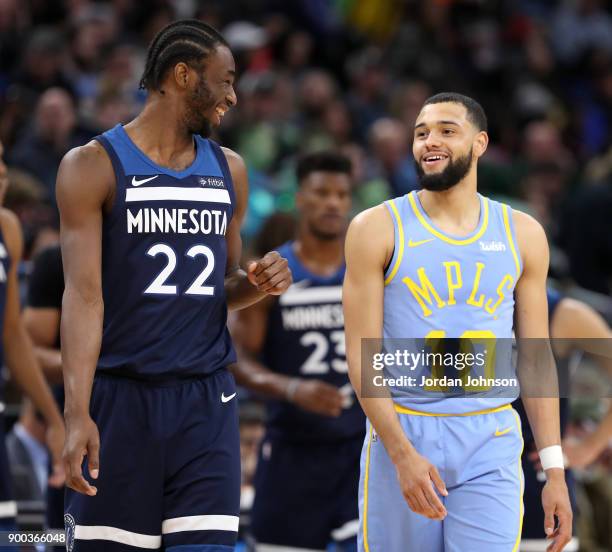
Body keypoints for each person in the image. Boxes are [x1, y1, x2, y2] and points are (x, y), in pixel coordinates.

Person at [57, 20, 291, 552]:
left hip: (206, 400)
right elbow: (84, 296)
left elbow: (225, 285)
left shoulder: (229, 169)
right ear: (182, 76)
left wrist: (257, 284)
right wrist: (76, 414)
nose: (233, 96)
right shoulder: (92, 165)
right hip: (121, 398)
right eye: (225, 80)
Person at [342, 93, 573, 552]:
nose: (431, 140)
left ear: (480, 143)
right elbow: (361, 358)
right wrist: (402, 454)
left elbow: (535, 358)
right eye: (422, 132)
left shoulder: (522, 232)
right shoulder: (376, 228)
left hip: (490, 436)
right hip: (405, 431)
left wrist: (554, 471)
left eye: (447, 130)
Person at [231, 151, 364, 551]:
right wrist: (291, 388)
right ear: (299, 198)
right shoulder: (274, 272)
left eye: (342, 195)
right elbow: (237, 355)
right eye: (321, 193)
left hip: (360, 450)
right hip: (292, 450)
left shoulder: (369, 271)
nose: (333, 203)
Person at [0, 139, 64, 531]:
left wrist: (55, 420)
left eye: (3, 165)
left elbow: (13, 335)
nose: (1, 176)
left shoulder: (7, 228)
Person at [518, 289, 612, 552]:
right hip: (467, 492)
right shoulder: (464, 304)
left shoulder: (563, 313)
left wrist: (588, 447)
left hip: (540, 492)